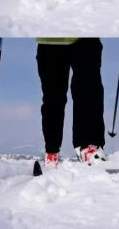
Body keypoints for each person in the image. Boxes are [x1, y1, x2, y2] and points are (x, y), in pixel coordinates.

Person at [36, 38, 106, 167]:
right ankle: (51, 152)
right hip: (50, 39)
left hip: (86, 37)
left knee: (88, 90)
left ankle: (89, 148)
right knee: (53, 97)